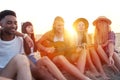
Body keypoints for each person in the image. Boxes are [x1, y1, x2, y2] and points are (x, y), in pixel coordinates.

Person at [0, 10, 32, 80]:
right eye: (9, 23)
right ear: (1, 24)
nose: (13, 26)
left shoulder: (19, 40)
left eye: (15, 23)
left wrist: (24, 36)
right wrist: (24, 35)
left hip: (8, 73)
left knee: (21, 58)